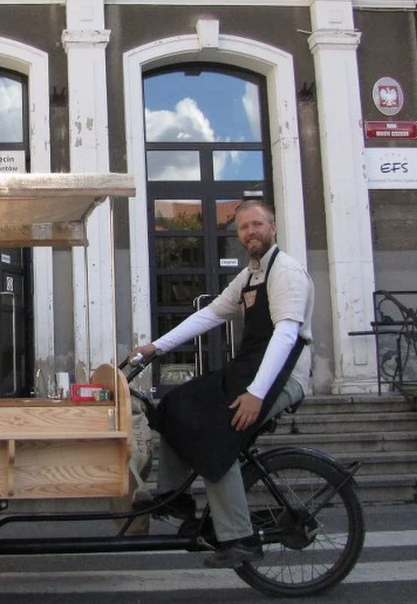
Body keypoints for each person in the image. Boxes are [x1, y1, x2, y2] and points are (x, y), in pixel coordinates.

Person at [132, 199, 312, 568]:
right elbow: (212, 313)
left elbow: (286, 335)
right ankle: (174, 497)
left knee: (217, 435)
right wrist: (156, 347)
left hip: (282, 376)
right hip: (249, 368)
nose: (250, 232)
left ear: (273, 227)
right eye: (244, 227)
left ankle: (239, 539)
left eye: (257, 224)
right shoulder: (250, 275)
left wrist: (256, 395)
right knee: (176, 403)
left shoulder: (287, 272)